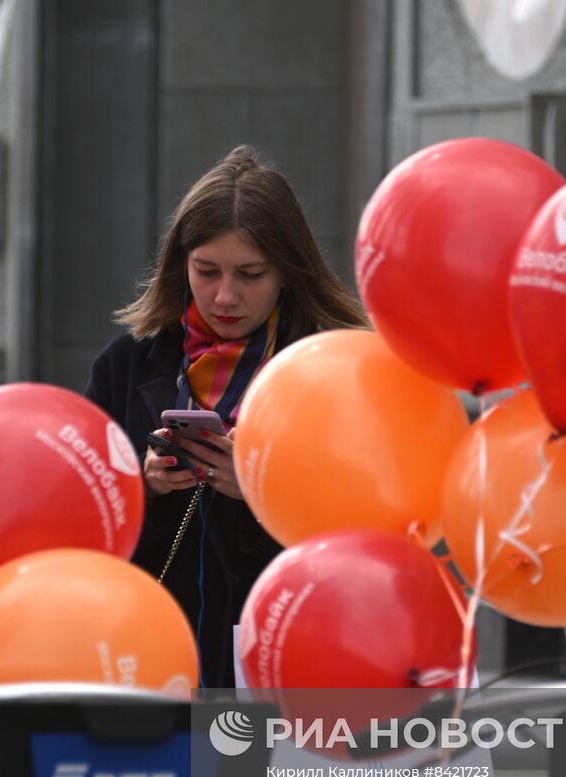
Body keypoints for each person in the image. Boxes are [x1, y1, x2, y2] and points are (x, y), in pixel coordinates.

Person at [85, 145, 369, 688]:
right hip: (144, 651)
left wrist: (267, 492)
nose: (225, 296)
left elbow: (372, 528)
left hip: (286, 654)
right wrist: (140, 484)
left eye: (251, 274)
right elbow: (80, 519)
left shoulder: (335, 367)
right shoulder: (127, 364)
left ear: (288, 271)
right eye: (206, 271)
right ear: (180, 264)